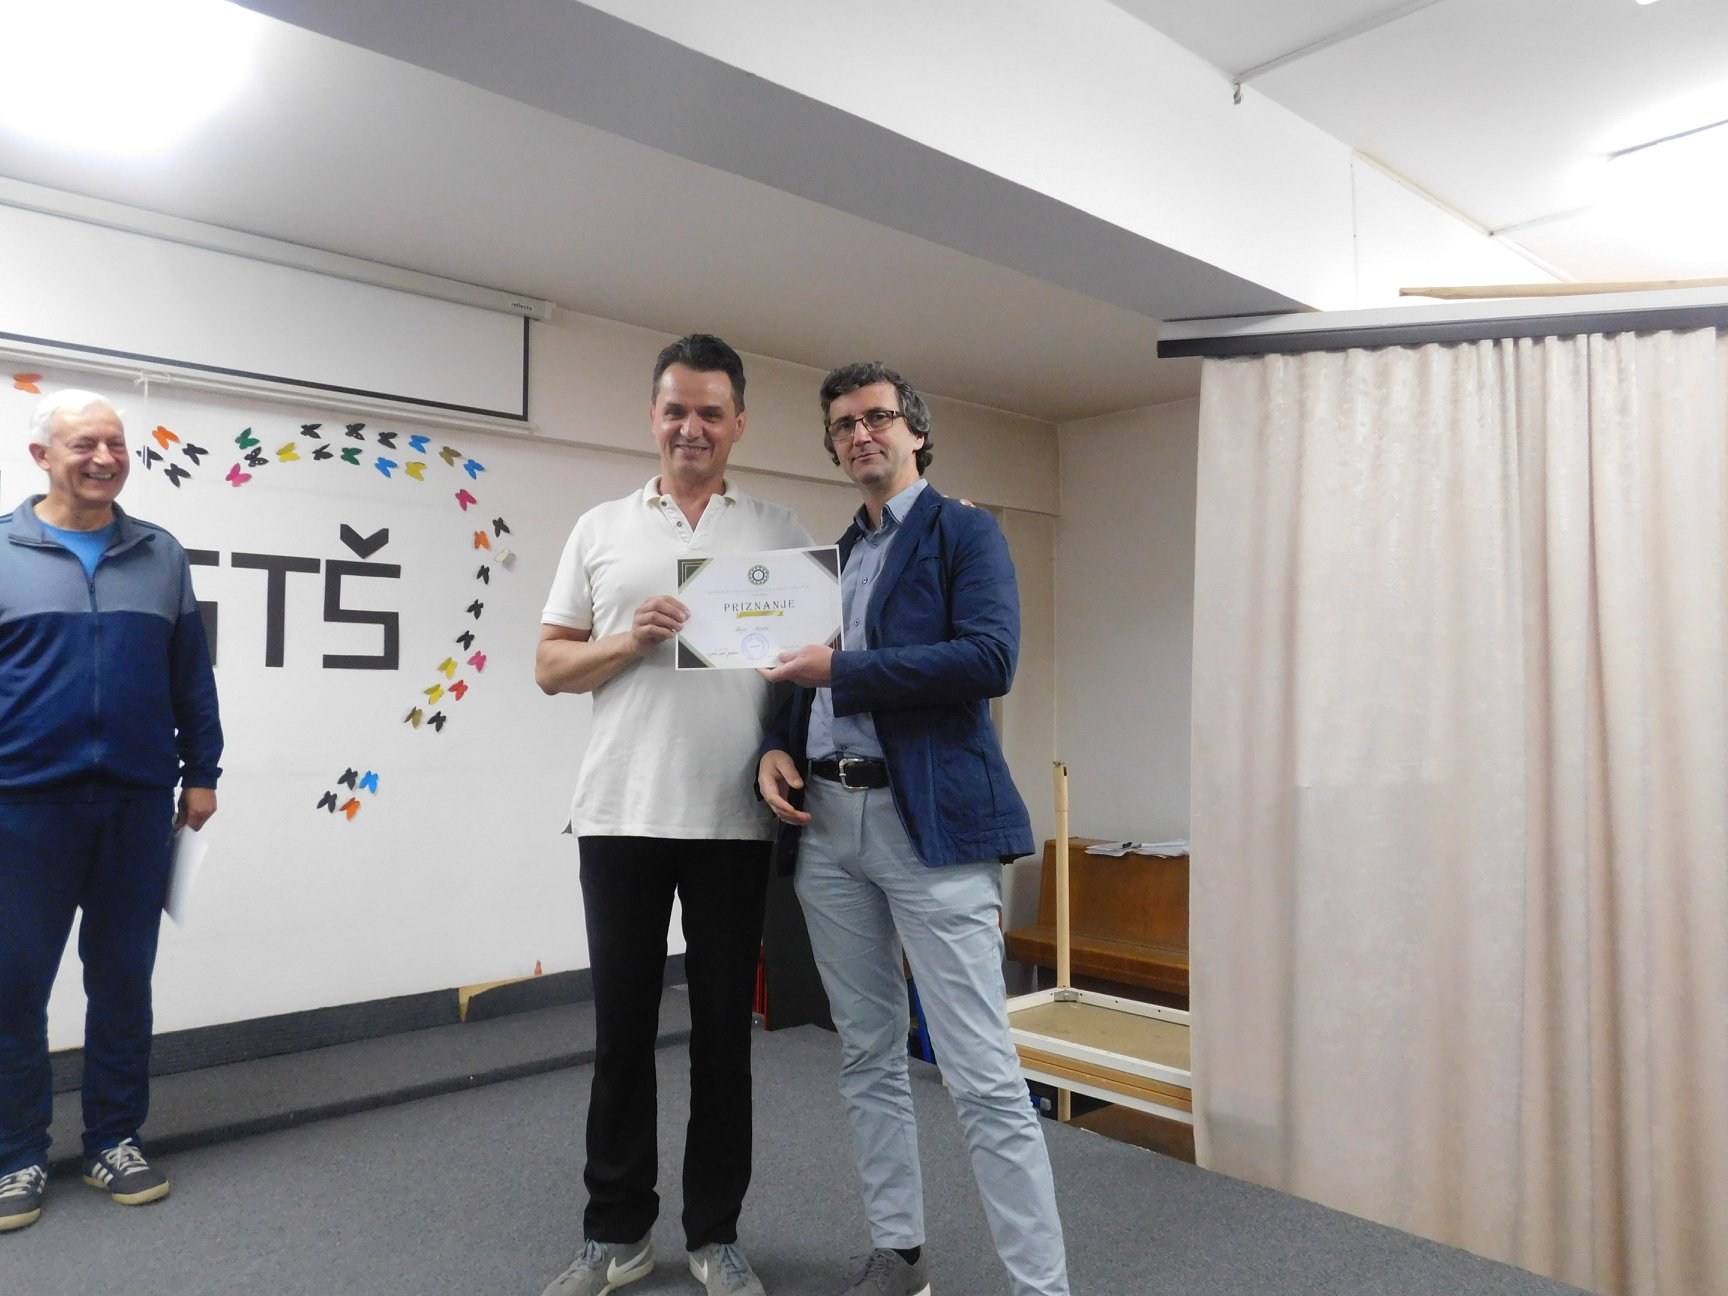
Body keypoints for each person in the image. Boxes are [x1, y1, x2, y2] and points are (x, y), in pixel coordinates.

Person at [756, 363, 1070, 1296]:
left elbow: (989, 659)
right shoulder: (830, 561)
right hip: (826, 827)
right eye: (843, 425)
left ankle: (1042, 1286)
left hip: (927, 823)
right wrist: (773, 747)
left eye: (878, 417)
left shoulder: (965, 532)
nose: (861, 434)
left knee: (981, 1072)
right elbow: (793, 679)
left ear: (915, 432)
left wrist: (844, 671)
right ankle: (899, 1254)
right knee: (867, 1054)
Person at [535, 334, 812, 1296]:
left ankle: (714, 1234)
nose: (691, 427)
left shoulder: (778, 531)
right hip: (620, 814)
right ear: (654, 416)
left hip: (735, 818)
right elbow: (549, 666)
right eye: (675, 409)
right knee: (621, 1035)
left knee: (725, 1040)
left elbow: (807, 675)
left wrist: (783, 745)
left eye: (710, 412)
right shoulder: (601, 529)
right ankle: (616, 1234)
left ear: (739, 424)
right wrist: (627, 640)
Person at [0, 390, 222, 1234]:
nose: (105, 458)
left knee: (123, 982)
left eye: (117, 444)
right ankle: (15, 1154)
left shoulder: (159, 554)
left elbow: (190, 674)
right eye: (85, 444)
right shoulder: (3, 549)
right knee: (12, 988)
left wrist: (201, 771)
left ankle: (114, 1141)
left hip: (135, 805)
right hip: (22, 807)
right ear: (42, 456)